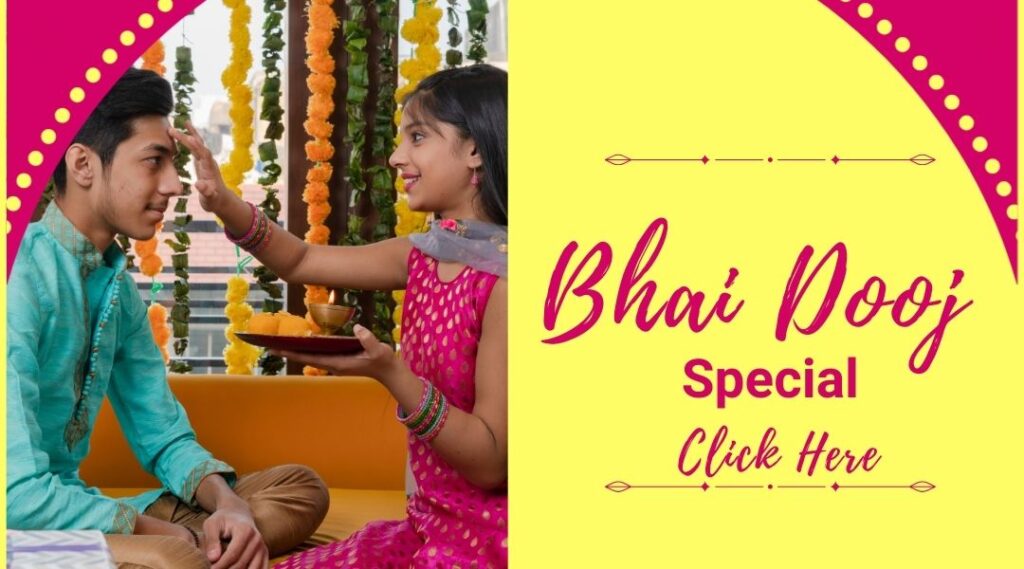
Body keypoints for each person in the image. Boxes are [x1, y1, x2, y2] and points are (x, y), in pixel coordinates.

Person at [173, 63, 508, 568]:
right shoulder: (420, 254)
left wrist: (390, 373)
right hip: (425, 528)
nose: (397, 157)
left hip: (485, 541)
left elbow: (489, 465)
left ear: (475, 149)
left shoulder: (510, 281)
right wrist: (223, 202)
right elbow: (301, 260)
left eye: (418, 137)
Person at [7, 67, 329, 569]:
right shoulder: (18, 278)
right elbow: (17, 493)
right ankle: (188, 553)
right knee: (174, 555)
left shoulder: (115, 288)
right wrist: (163, 533)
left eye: (172, 163)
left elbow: (162, 435)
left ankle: (211, 547)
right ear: (83, 164)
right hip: (19, 522)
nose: (174, 184)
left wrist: (229, 506)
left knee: (298, 489)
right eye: (154, 161)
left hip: (75, 511)